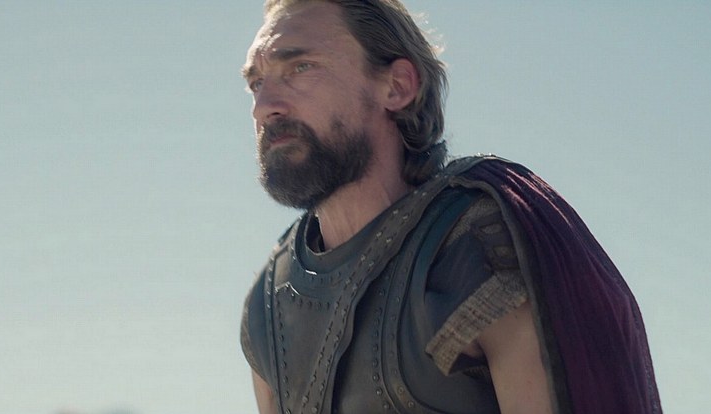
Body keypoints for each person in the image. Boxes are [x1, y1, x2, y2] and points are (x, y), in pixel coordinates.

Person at [238, 1, 661, 413]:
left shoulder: (478, 245)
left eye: (300, 67)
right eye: (256, 83)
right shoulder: (270, 306)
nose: (264, 106)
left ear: (397, 86)